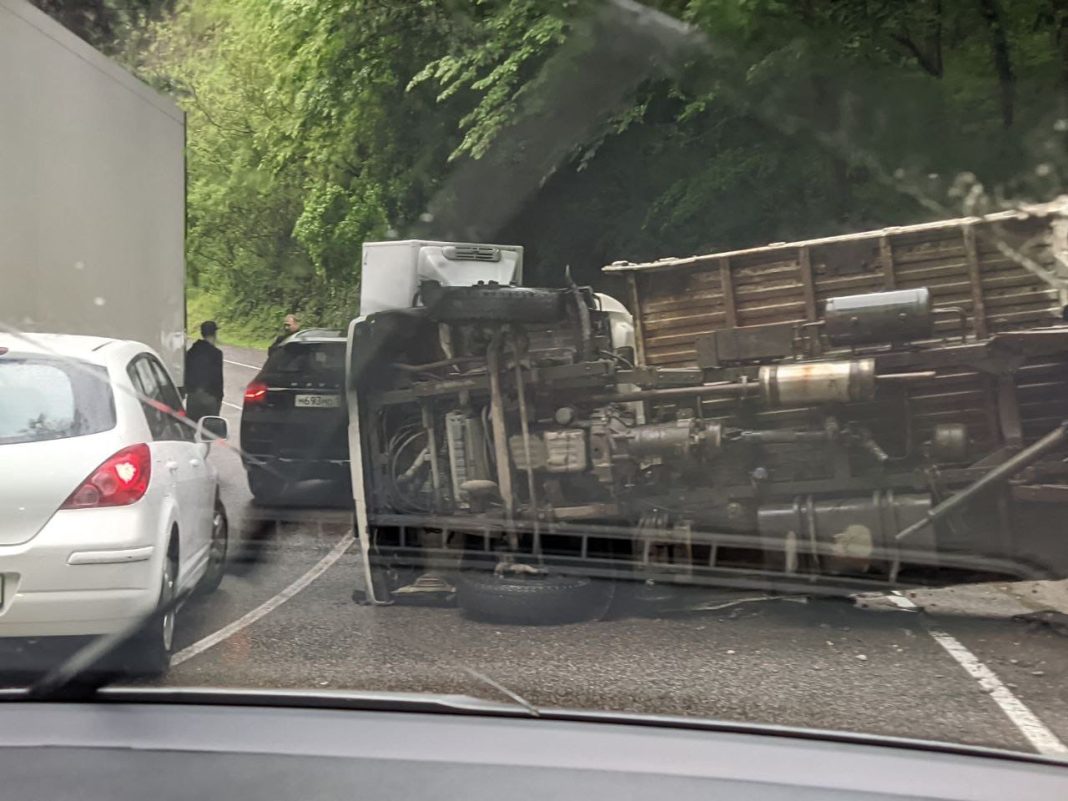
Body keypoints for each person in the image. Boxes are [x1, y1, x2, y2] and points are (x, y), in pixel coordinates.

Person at [185, 321, 224, 421]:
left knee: (192, 426)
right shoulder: (216, 354)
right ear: (214, 334)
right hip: (210, 397)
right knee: (210, 427)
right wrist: (219, 398)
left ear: (202, 333)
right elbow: (218, 379)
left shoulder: (191, 352)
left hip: (193, 396)